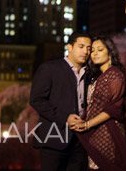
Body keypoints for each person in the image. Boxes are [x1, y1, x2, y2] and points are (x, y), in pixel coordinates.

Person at [30, 31, 92, 171]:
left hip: (81, 141)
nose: (86, 51)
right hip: (54, 138)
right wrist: (65, 118)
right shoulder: (49, 68)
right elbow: (36, 100)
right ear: (70, 47)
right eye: (81, 46)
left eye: (88, 48)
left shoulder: (89, 73)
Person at [75, 36, 126, 171]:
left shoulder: (114, 75)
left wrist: (87, 124)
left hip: (107, 133)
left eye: (100, 50)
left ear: (109, 52)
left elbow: (113, 109)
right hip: (94, 132)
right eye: (92, 51)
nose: (95, 53)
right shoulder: (98, 76)